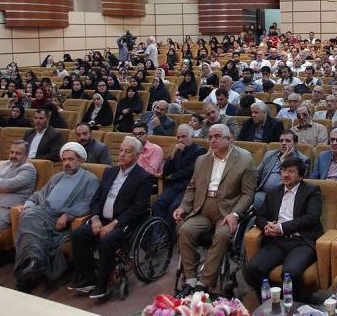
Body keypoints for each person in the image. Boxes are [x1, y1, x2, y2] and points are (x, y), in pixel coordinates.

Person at [174, 124, 255, 297]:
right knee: (184, 230)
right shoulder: (202, 160)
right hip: (202, 208)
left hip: (227, 210)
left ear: (229, 138)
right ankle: (191, 280)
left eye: (217, 136)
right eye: (210, 137)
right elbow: (191, 188)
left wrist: (235, 214)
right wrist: (183, 207)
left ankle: (204, 283)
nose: (213, 140)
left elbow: (248, 194)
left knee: (223, 235)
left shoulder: (244, 158)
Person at [68, 136, 154, 298]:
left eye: (127, 152)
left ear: (137, 156)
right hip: (102, 220)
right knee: (78, 234)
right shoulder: (110, 172)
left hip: (124, 223)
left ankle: (102, 284)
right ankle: (88, 278)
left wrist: (113, 224)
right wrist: (95, 218)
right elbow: (97, 198)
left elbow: (138, 208)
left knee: (107, 240)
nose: (121, 154)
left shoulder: (144, 177)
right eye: (120, 150)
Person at [13, 142, 100, 292]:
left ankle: (29, 269)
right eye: (64, 159)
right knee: (28, 215)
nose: (66, 163)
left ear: (81, 160)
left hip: (58, 218)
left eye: (71, 159)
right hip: (43, 211)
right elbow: (40, 193)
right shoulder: (58, 176)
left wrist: (67, 215)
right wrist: (29, 202)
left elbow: (88, 203)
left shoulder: (90, 179)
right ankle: (34, 263)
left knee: (29, 219)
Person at [244, 156, 322, 302]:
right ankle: (268, 304)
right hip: (276, 241)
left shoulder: (311, 191)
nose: (286, 175)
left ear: (300, 175)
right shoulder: (274, 192)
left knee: (290, 272)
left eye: (291, 172)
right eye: (284, 171)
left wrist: (281, 228)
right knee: (253, 268)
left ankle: (293, 306)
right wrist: (266, 225)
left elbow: (311, 218)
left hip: (301, 241)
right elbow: (260, 216)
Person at [152, 124, 206, 233]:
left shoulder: (200, 151)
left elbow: (191, 170)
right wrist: (172, 154)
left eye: (184, 136)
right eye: (178, 137)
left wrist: (173, 176)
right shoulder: (177, 150)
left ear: (192, 136)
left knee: (174, 207)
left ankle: (165, 236)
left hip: (188, 187)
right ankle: (156, 236)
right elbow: (166, 171)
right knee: (159, 203)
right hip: (174, 186)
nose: (180, 140)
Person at [253, 131, 311, 212]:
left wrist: (283, 162)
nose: (283, 143)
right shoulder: (270, 155)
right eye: (281, 141)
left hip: (284, 197)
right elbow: (256, 175)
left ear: (295, 144)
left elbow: (298, 183)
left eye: (288, 141)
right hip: (262, 194)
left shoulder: (303, 160)